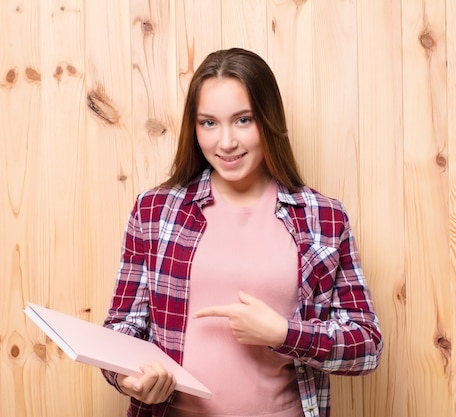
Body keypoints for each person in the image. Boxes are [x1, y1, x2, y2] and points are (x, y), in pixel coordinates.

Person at [101, 47, 383, 417]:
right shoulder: (155, 211)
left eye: (243, 120)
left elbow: (367, 346)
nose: (226, 142)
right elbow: (120, 329)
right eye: (209, 123)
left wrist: (285, 334)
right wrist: (130, 380)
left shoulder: (323, 217)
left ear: (268, 120)